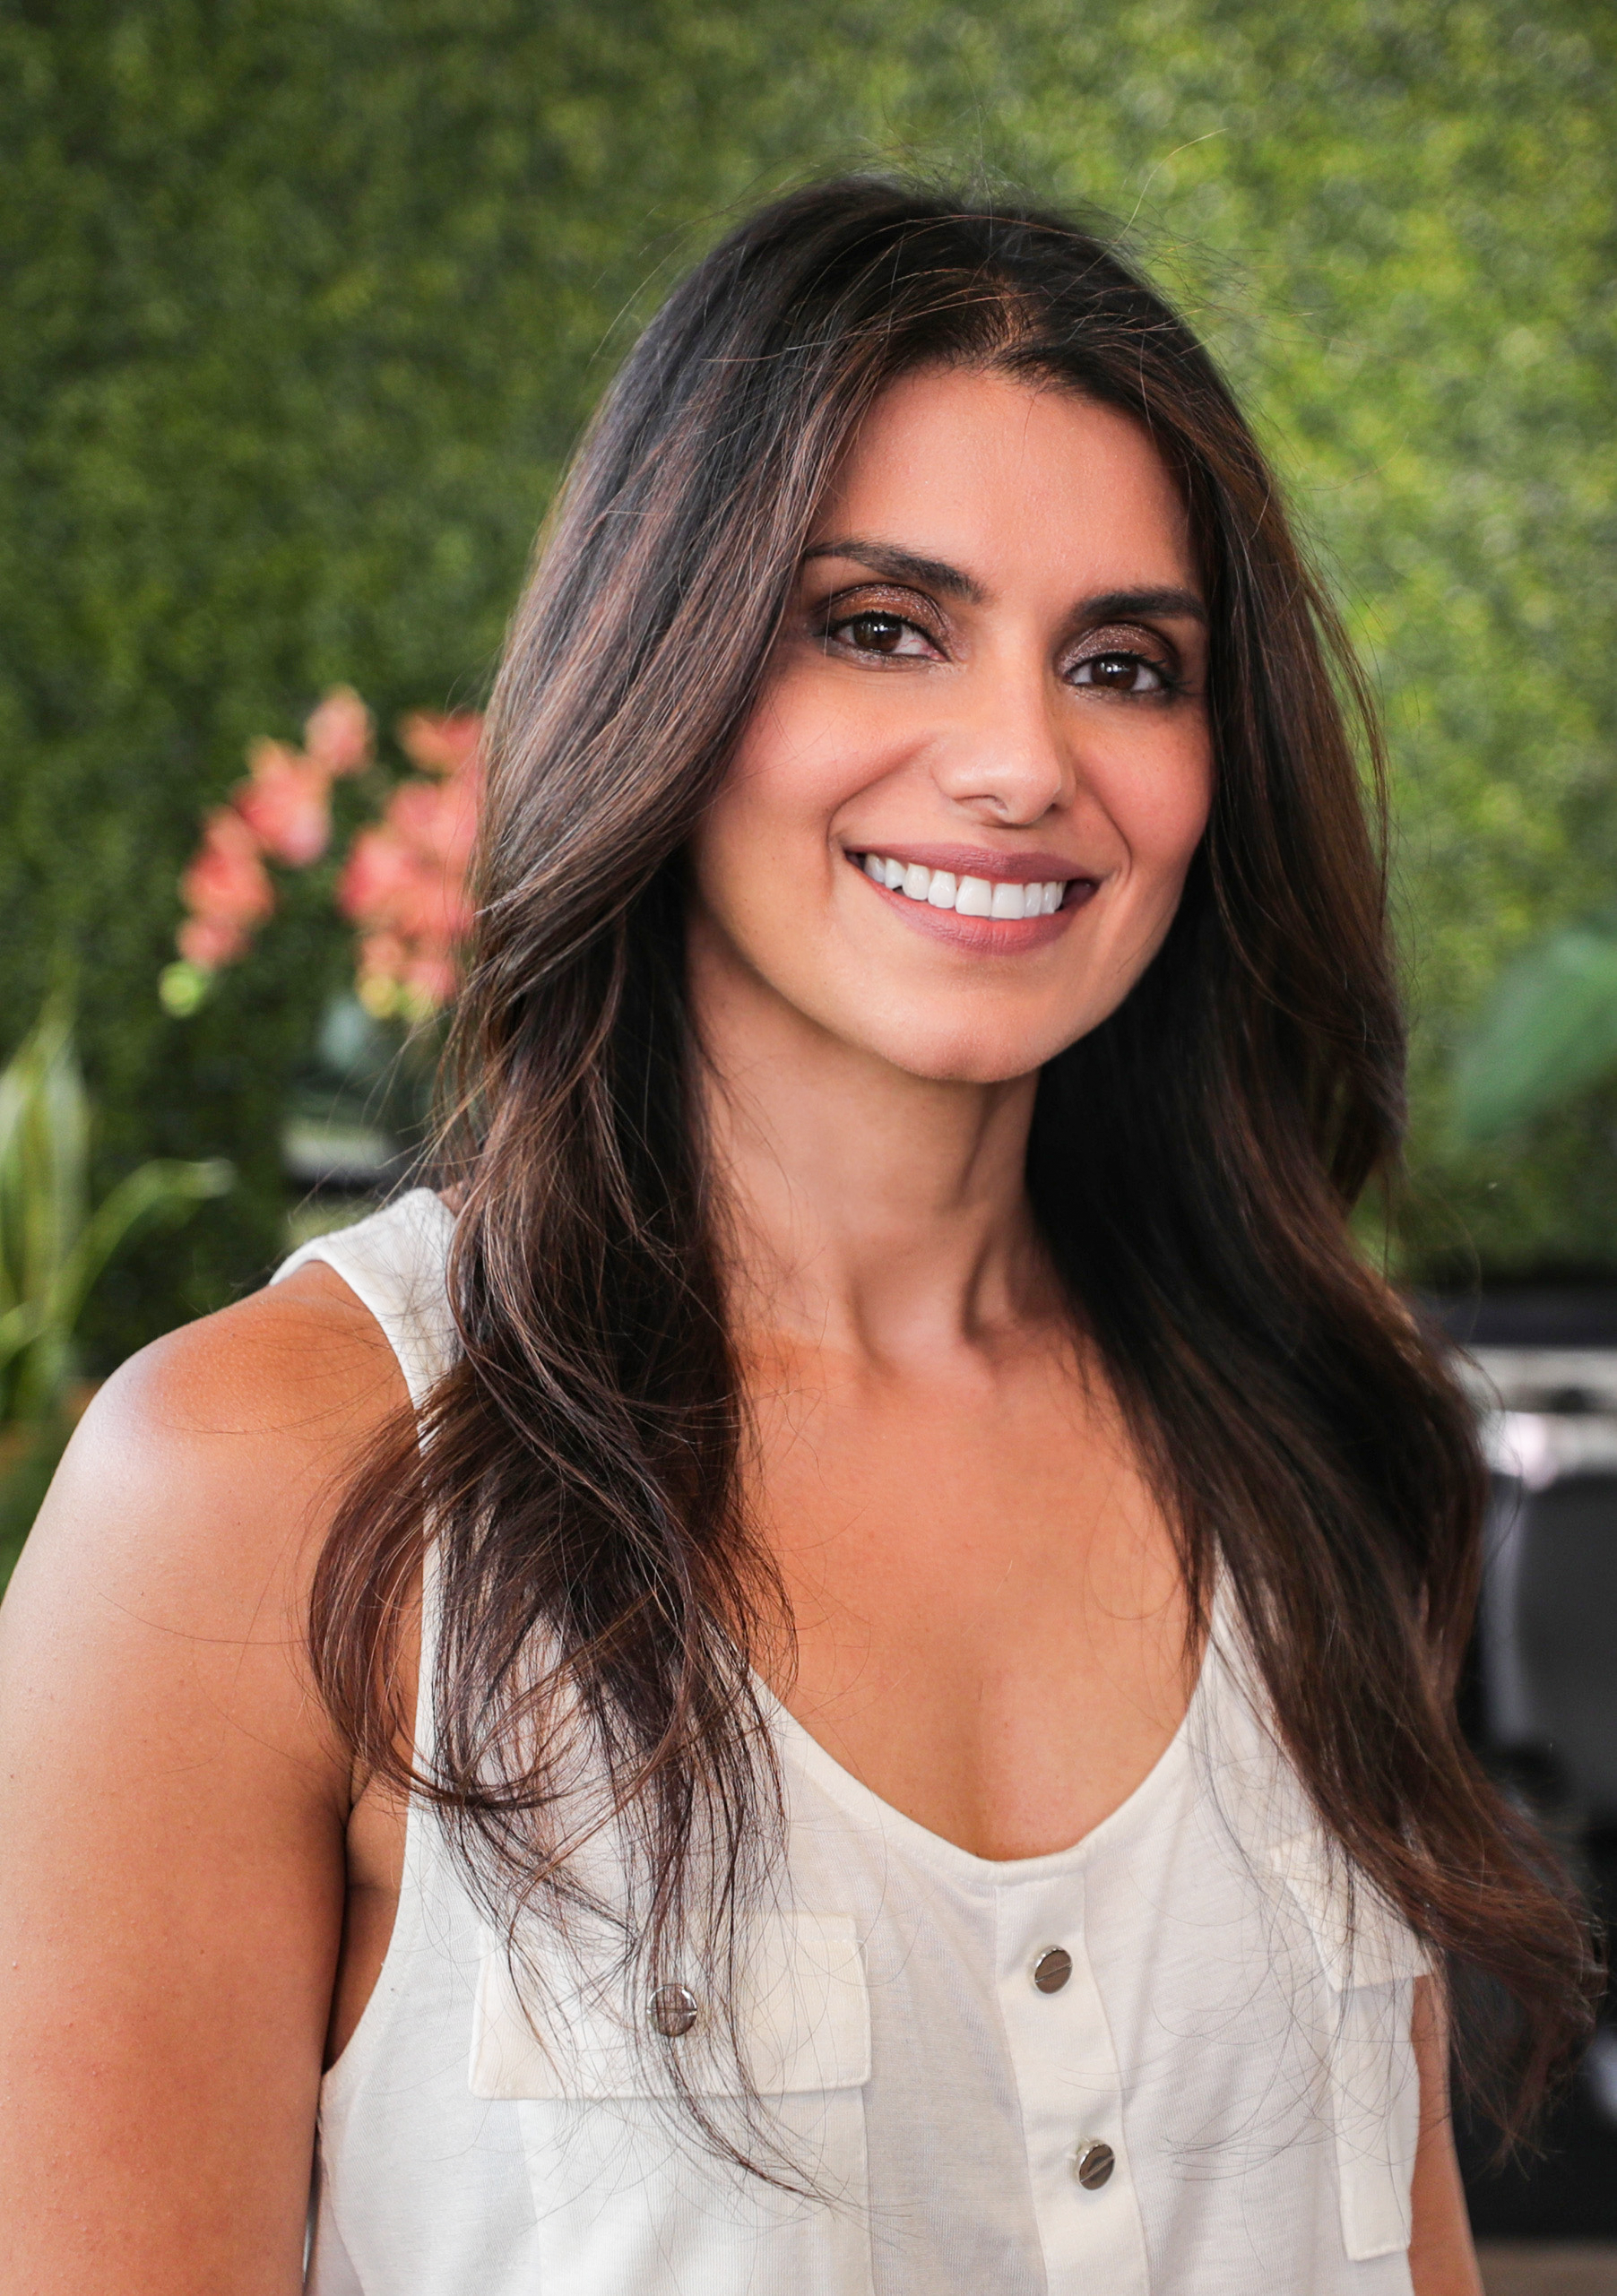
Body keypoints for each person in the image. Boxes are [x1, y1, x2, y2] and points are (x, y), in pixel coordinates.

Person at [0, 180, 1593, 2296]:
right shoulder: (256, 1486)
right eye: (877, 625)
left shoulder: (1307, 1443)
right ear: (661, 662)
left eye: (1123, 664)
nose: (1021, 761)